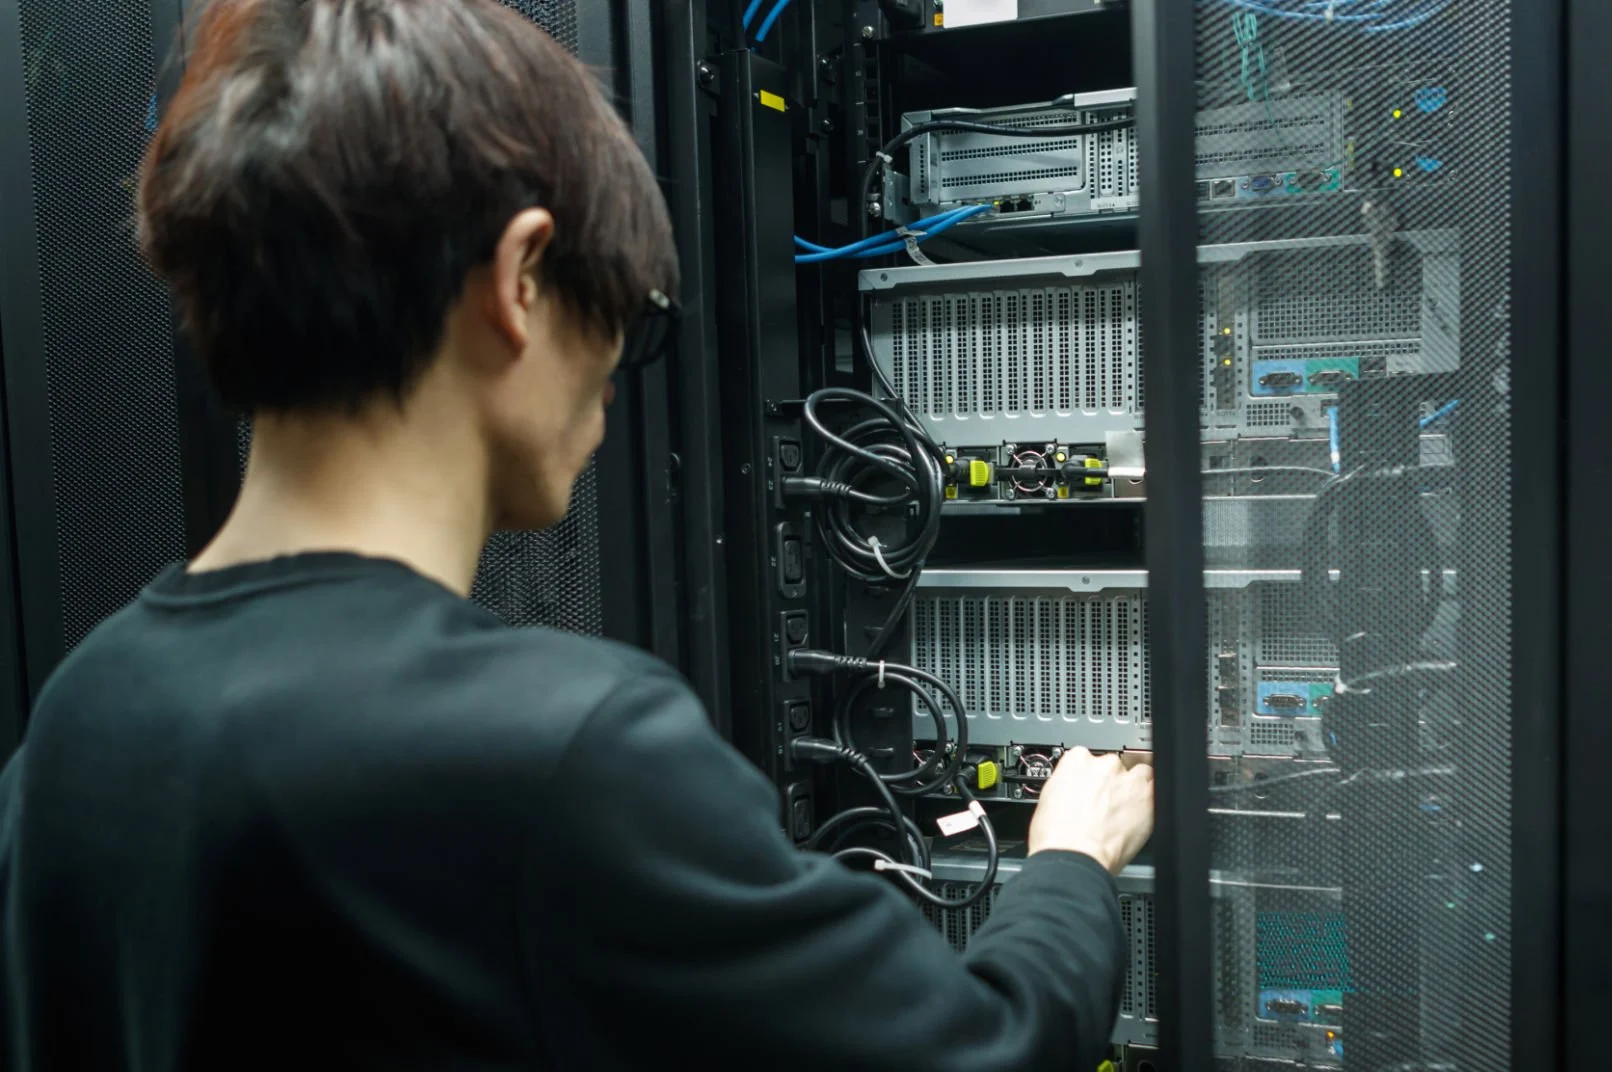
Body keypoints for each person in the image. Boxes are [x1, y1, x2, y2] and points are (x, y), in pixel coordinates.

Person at [0, 1, 1155, 1069]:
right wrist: (1067, 862)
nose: (611, 395)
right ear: (520, 279)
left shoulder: (77, 729)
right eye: (637, 324)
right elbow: (983, 1050)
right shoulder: (562, 753)